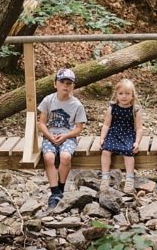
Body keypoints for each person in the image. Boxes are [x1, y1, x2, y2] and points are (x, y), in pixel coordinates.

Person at [37, 68, 87, 209]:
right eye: (62, 82)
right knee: (49, 158)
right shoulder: (48, 100)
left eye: (69, 83)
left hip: (68, 137)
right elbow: (41, 123)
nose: (65, 85)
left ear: (73, 86)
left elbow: (78, 128)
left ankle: (61, 188)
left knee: (65, 156)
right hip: (50, 136)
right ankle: (54, 192)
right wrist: (49, 136)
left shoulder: (77, 105)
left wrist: (65, 136)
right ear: (55, 84)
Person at [99, 78, 143, 194]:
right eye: (121, 93)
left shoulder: (135, 109)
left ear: (132, 95)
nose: (124, 96)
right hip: (114, 132)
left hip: (128, 134)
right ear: (116, 95)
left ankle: (129, 178)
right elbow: (106, 124)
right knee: (106, 151)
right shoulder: (112, 108)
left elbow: (139, 128)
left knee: (128, 152)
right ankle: (105, 177)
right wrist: (102, 138)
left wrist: (137, 142)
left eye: (127, 94)